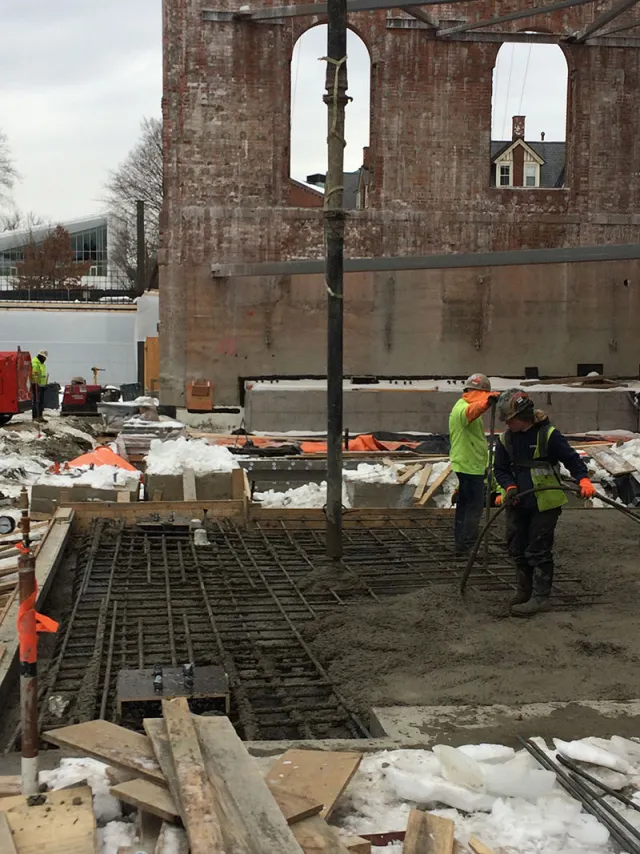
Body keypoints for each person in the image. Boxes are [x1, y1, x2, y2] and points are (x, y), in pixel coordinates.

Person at [494, 388, 597, 616]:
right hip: (518, 503)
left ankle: (540, 598)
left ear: (524, 416)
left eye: (510, 420)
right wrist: (509, 486)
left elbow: (572, 459)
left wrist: (583, 479)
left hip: (545, 503)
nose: (507, 424)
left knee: (538, 549)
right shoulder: (505, 439)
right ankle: (525, 591)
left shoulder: (548, 435)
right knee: (516, 548)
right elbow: (500, 469)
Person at [449, 373, 499, 556]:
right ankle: (468, 545)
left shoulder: (465, 405)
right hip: (469, 467)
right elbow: (472, 411)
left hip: (470, 465)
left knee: (465, 506)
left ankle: (462, 543)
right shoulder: (463, 408)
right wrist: (487, 403)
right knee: (473, 508)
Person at [31, 350, 48, 422]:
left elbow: (42, 376)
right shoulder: (35, 364)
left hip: (42, 386)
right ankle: (35, 417)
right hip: (36, 386)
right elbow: (34, 375)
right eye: (44, 358)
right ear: (40, 357)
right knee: (36, 401)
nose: (45, 359)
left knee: (41, 402)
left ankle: (40, 416)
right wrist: (35, 383)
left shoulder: (41, 364)